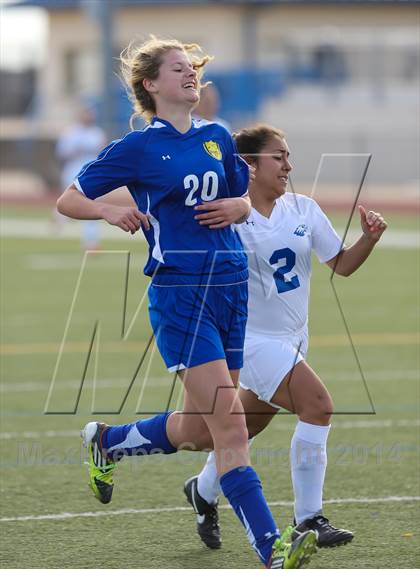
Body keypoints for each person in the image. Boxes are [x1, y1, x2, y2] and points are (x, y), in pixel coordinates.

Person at [56, 37, 317, 569]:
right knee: (232, 428)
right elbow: (69, 199)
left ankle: (109, 441)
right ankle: (273, 548)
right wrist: (108, 213)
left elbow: (246, 200)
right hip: (181, 294)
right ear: (151, 85)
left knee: (201, 431)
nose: (190, 75)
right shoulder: (138, 147)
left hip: (230, 291)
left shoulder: (219, 137)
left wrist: (239, 207)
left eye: (192, 68)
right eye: (178, 69)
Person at [182, 123, 388, 551]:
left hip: (294, 340)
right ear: (249, 166)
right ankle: (308, 519)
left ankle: (203, 490)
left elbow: (343, 265)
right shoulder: (228, 217)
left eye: (288, 156)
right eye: (279, 157)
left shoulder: (304, 209)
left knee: (241, 428)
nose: (289, 166)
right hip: (251, 341)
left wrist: (368, 239)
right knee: (318, 405)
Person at [55, 104, 106, 249]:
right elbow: (62, 153)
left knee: (92, 205)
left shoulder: (97, 133)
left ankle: (91, 241)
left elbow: (103, 153)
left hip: (91, 174)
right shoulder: (71, 132)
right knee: (69, 202)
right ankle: (59, 218)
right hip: (73, 171)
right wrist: (77, 150)